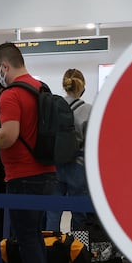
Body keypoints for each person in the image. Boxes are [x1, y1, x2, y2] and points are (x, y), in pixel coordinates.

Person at [0, 42, 56, 263]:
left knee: (26, 234)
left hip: (22, 173)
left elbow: (10, 136)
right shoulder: (40, 88)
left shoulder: (11, 95)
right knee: (35, 233)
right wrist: (1, 133)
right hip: (45, 171)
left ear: (4, 66)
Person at [44, 68, 94, 231]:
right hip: (78, 166)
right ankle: (78, 251)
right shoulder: (88, 110)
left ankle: (52, 250)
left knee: (53, 212)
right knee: (79, 213)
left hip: (55, 165)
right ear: (83, 87)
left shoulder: (54, 106)